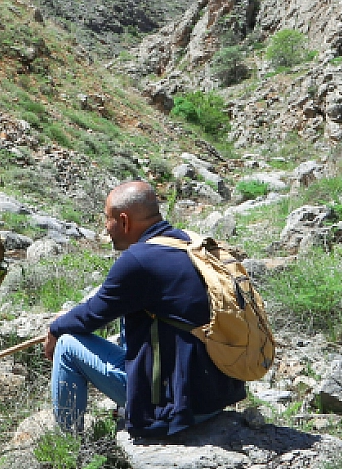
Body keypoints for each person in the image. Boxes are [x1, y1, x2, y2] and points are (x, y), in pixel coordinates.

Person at [45, 181, 245, 440]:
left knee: (67, 345)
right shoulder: (187, 244)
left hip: (180, 408)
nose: (106, 228)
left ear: (124, 221)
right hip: (215, 396)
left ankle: (67, 446)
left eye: (108, 219)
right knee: (139, 319)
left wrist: (55, 328)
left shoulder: (138, 260)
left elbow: (92, 316)